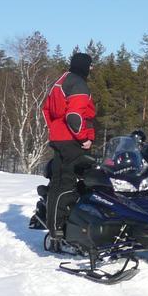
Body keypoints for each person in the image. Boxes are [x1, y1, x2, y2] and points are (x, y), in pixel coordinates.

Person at [41, 52, 97, 248]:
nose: (91, 69)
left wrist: (55, 129)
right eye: (90, 66)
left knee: (57, 183)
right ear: (84, 66)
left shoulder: (61, 80)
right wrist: (83, 138)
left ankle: (55, 225)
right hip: (72, 140)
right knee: (69, 184)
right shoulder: (78, 84)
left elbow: (45, 109)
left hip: (59, 137)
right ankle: (62, 227)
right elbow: (74, 115)